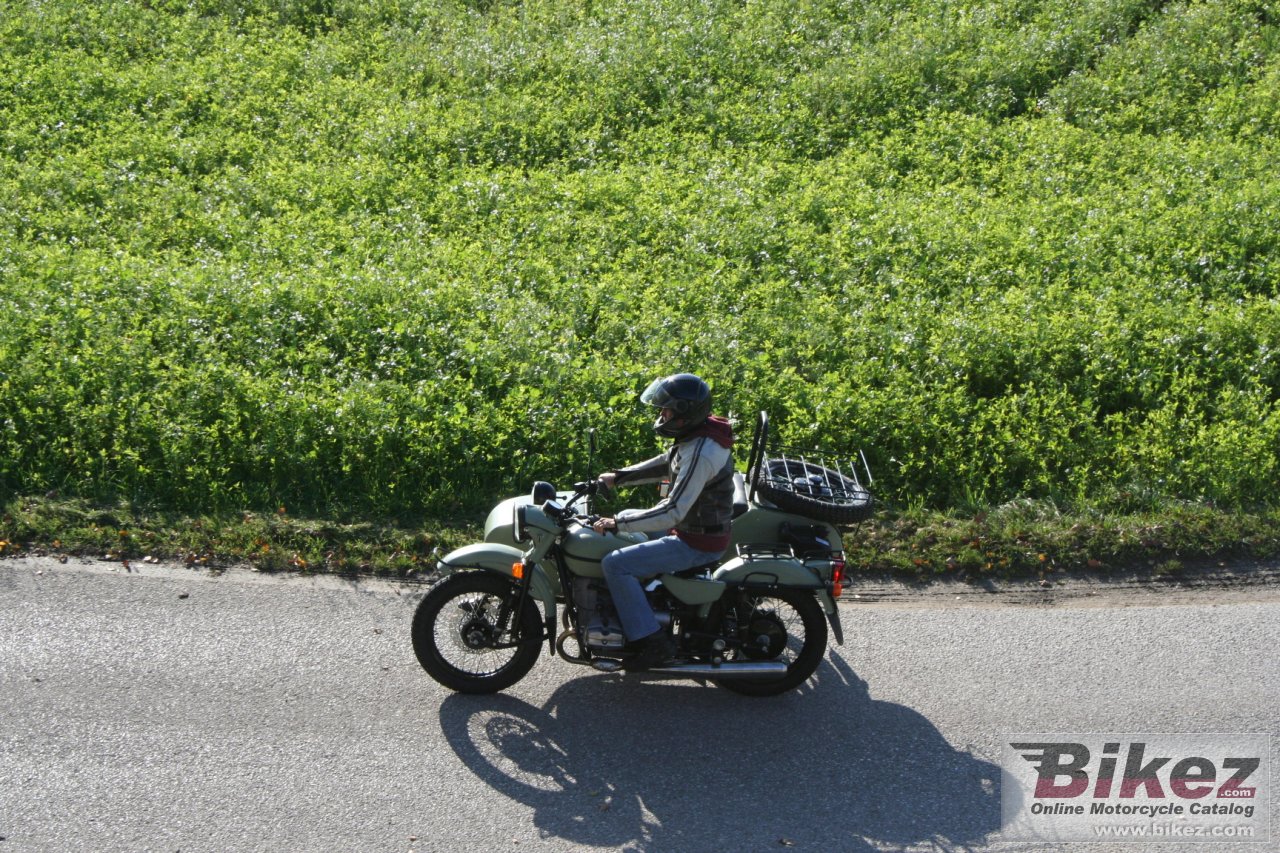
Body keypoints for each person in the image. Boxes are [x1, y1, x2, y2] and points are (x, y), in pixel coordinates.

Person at [592, 373, 736, 668]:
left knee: (615, 563)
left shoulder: (702, 453)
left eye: (666, 410)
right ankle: (637, 604)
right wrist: (618, 477)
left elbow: (673, 511)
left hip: (696, 540)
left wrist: (617, 524)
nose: (661, 415)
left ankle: (651, 640)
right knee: (628, 520)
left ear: (684, 414)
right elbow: (668, 462)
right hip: (693, 528)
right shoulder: (697, 435)